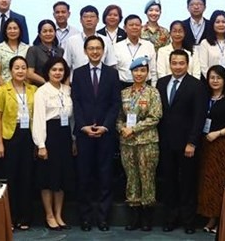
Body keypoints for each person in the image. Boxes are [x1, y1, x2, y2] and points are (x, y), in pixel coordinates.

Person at [71, 36, 121, 232]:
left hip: (105, 134)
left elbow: (115, 103)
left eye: (98, 48)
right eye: (90, 48)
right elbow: (76, 101)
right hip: (84, 135)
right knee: (84, 177)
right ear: (85, 51)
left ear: (103, 51)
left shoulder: (111, 74)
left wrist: (106, 126)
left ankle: (102, 218)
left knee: (105, 177)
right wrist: (83, 126)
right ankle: (85, 218)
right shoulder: (79, 73)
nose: (94, 51)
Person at [156, 49, 207, 234]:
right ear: (170, 64)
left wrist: (192, 142)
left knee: (187, 182)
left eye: (181, 63)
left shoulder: (196, 85)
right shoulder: (161, 83)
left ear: (187, 64)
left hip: (187, 144)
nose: (177, 66)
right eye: (174, 63)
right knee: (169, 182)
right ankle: (171, 218)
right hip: (165, 142)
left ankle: (188, 221)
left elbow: (199, 116)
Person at [117, 56, 162, 232]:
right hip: (127, 143)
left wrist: (133, 129)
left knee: (147, 178)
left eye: (142, 71)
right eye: (136, 70)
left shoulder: (153, 92)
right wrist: (122, 129)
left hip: (147, 142)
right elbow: (118, 117)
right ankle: (134, 216)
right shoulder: (124, 94)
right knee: (131, 178)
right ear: (131, 72)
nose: (139, 73)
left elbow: (155, 116)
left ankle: (146, 218)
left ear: (147, 72)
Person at [0, 56, 37, 230]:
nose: (20, 71)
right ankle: (9, 218)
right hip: (9, 136)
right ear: (10, 71)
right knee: (10, 178)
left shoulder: (34, 90)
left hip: (29, 135)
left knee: (26, 176)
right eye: (16, 68)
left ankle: (25, 217)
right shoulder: (2, 90)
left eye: (23, 67)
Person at [32, 57, 74, 231]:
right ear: (48, 72)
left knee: (61, 178)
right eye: (54, 70)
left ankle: (59, 214)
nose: (58, 73)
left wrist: (74, 139)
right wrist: (41, 144)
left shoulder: (68, 90)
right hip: (49, 136)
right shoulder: (41, 91)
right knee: (48, 178)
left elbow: (72, 118)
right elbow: (39, 119)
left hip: (65, 136)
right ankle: (49, 215)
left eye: (61, 70)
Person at [197, 65, 225, 234]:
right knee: (207, 182)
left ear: (224, 80)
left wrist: (218, 133)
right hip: (205, 146)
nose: (215, 81)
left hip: (223, 147)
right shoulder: (204, 97)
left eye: (218, 78)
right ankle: (211, 217)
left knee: (221, 182)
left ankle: (222, 219)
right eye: (212, 77)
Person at [64, 6, 117, 74]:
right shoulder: (71, 41)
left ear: (98, 20)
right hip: (77, 82)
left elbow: (111, 64)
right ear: (80, 20)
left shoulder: (106, 41)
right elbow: (66, 66)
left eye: (92, 16)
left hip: (102, 82)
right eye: (85, 17)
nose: (89, 19)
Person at [114, 15, 157, 88]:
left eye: (137, 25)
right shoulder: (116, 47)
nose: (134, 27)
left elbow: (153, 71)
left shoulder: (149, 45)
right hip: (123, 86)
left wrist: (153, 88)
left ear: (141, 27)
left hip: (145, 87)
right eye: (131, 25)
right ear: (125, 28)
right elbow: (113, 72)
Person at [0, 18, 30, 85]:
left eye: (15, 28)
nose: (12, 31)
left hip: (23, 88)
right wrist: (7, 90)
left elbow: (29, 72)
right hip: (4, 88)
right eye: (9, 28)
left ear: (20, 30)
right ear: (5, 31)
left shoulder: (27, 48)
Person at [26, 19, 63, 86]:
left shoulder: (60, 50)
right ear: (39, 34)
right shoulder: (33, 50)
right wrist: (48, 84)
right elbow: (29, 73)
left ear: (55, 33)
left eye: (51, 31)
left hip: (58, 88)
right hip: (39, 88)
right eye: (45, 31)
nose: (48, 34)